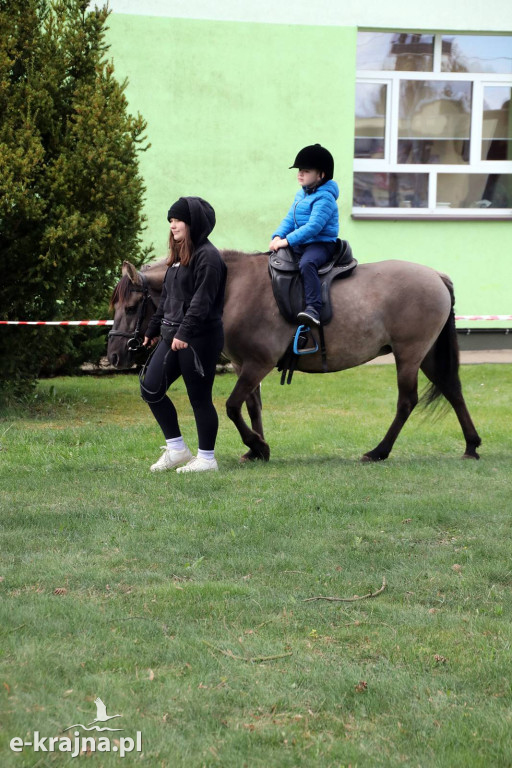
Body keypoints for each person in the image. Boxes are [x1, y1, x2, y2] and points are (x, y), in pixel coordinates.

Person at [141, 196, 227, 473]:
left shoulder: (209, 258)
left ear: (193, 223)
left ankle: (206, 459)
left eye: (177, 220)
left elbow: (202, 302)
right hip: (172, 335)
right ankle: (177, 449)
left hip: (198, 338)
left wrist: (184, 332)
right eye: (170, 220)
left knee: (199, 398)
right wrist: (153, 329)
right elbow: (167, 299)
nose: (172, 225)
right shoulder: (178, 257)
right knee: (151, 388)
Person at [269, 144, 339, 326]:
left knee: (307, 263)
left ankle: (314, 308)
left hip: (321, 244)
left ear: (321, 175)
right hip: (302, 242)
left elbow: (313, 227)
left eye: (306, 171)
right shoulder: (301, 195)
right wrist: (277, 236)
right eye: (299, 170)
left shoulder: (325, 198)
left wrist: (287, 241)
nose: (300, 174)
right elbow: (289, 220)